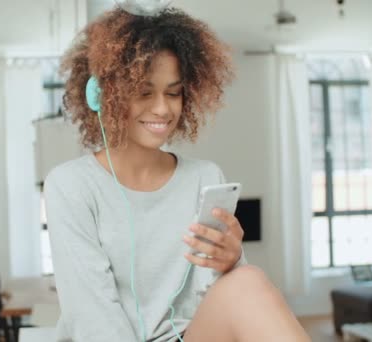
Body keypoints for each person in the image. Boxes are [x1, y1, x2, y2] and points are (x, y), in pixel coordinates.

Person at [44, 6, 311, 342]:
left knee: (248, 279)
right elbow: (90, 315)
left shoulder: (205, 177)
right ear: (104, 95)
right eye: (144, 91)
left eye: (173, 92)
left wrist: (230, 261)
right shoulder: (70, 185)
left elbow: (227, 300)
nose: (162, 108)